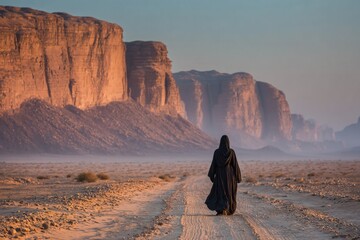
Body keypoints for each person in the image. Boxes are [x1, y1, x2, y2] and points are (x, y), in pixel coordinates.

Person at [205, 135, 241, 215]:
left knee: (220, 192)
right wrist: (238, 177)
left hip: (220, 176)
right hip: (229, 177)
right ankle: (227, 209)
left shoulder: (217, 152)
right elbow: (235, 165)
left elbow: (213, 164)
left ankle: (221, 209)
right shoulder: (231, 152)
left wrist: (212, 175)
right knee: (228, 192)